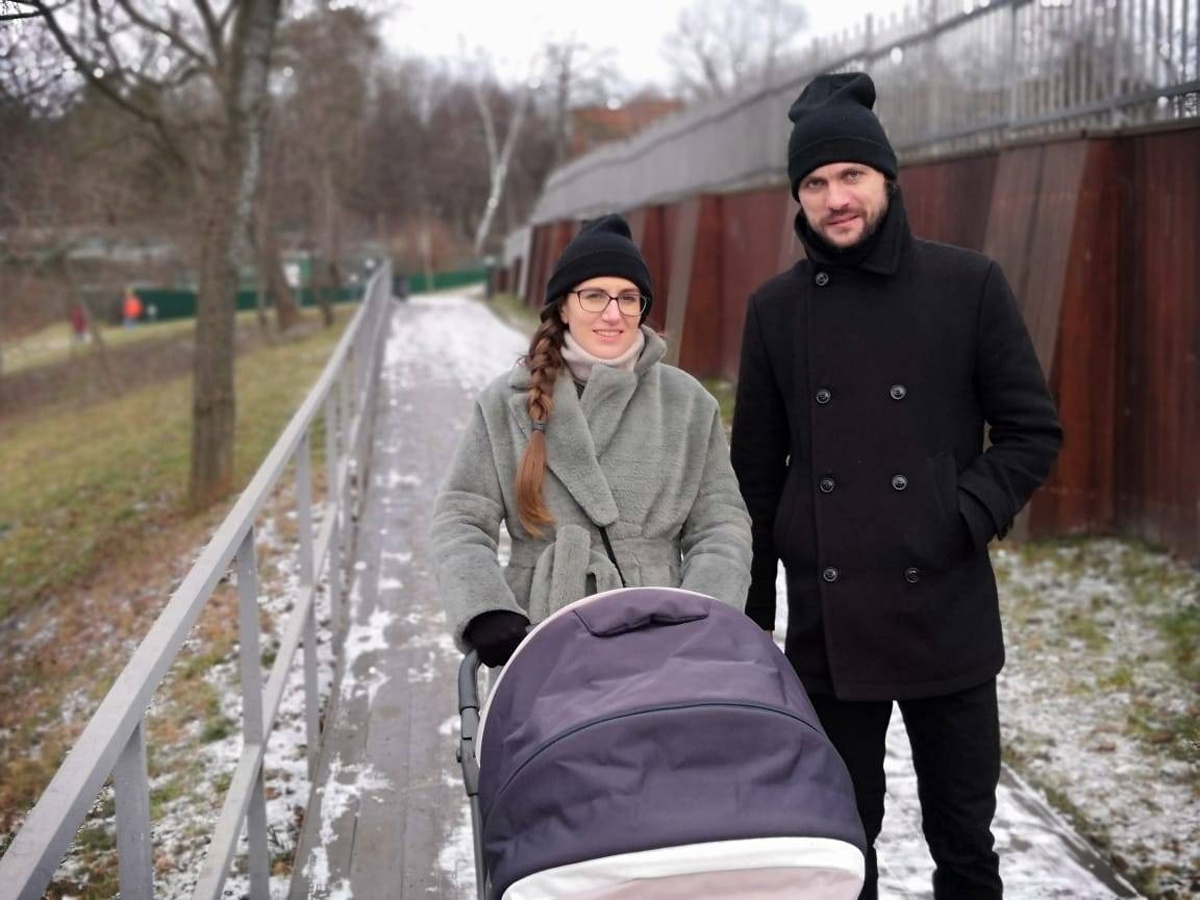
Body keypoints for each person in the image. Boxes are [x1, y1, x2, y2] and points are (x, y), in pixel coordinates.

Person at [729, 71, 1063, 899]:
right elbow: (754, 480)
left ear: (887, 178)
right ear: (798, 198)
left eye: (850, 176)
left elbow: (1032, 433)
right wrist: (748, 626)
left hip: (945, 610)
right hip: (827, 624)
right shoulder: (774, 310)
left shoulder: (968, 285)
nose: (835, 197)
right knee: (841, 840)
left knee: (963, 836)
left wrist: (957, 517)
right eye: (814, 182)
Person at [431, 213, 753, 667]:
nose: (613, 313)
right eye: (594, 296)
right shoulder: (506, 404)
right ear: (563, 306)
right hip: (540, 635)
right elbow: (459, 518)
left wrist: (701, 612)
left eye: (628, 298)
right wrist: (486, 609)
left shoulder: (687, 403)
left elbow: (721, 525)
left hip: (663, 636)